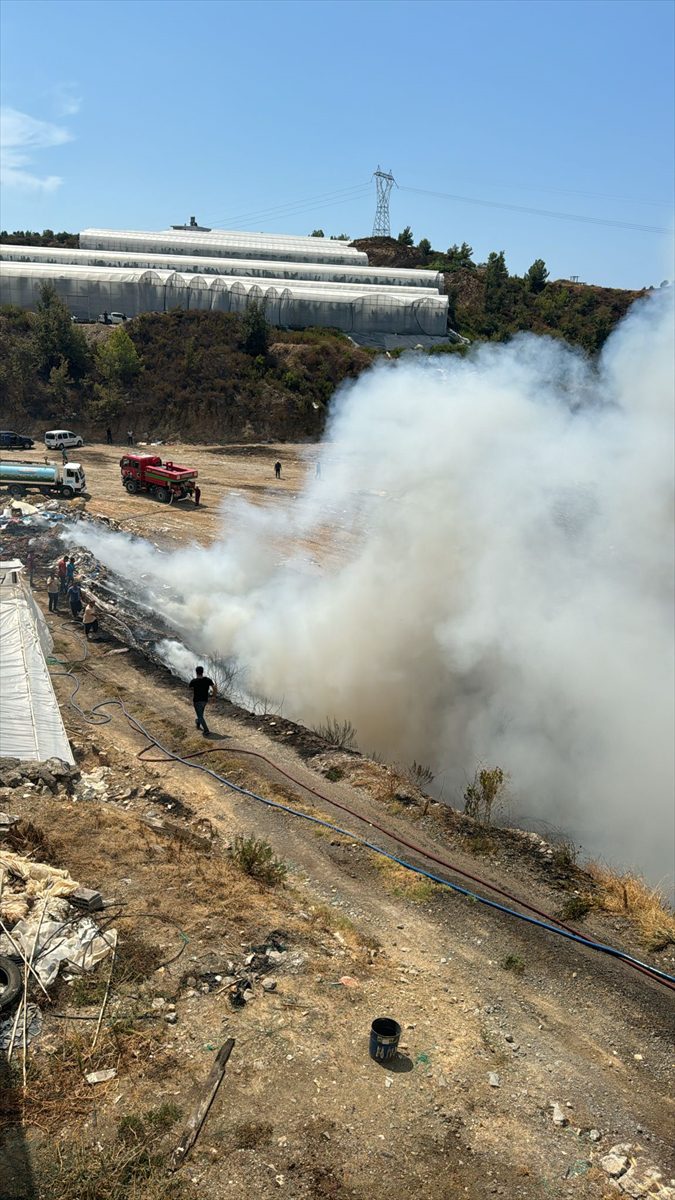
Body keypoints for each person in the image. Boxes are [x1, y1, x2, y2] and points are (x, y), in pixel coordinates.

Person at [188, 666, 216, 737]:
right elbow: (214, 687)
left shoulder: (194, 681)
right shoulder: (207, 680)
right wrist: (213, 696)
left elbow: (190, 688)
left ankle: (206, 731)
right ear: (202, 672)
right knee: (200, 715)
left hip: (197, 701)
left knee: (200, 716)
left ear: (196, 672)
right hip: (204, 701)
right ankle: (198, 722)